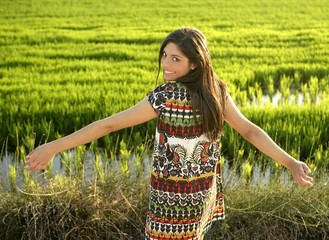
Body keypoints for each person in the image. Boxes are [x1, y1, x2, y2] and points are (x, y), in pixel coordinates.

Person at [25, 27, 313, 240]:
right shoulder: (217, 92)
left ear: (194, 63)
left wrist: (54, 146)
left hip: (169, 205)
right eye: (165, 55)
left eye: (176, 59)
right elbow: (249, 131)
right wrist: (289, 162)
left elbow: (108, 125)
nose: (165, 64)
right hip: (201, 197)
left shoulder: (165, 96)